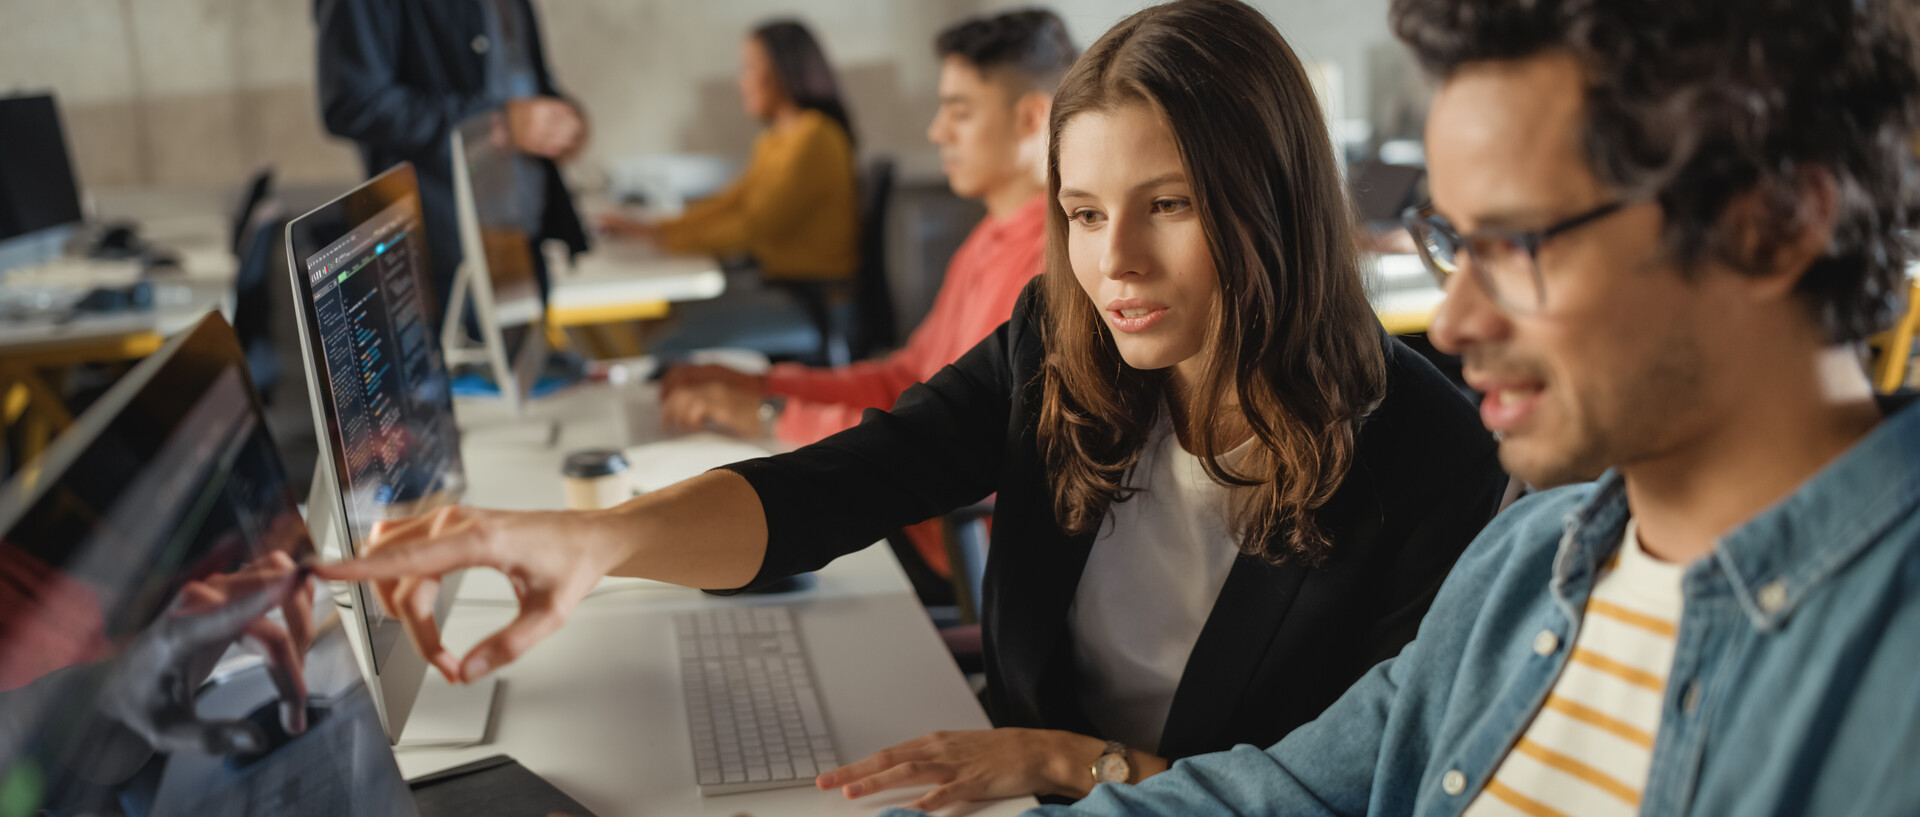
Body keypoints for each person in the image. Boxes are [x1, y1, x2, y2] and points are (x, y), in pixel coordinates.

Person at [317, 0, 1506, 809]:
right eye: (1084, 215)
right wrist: (595, 542)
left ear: (1274, 203)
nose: (1117, 265)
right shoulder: (1066, 341)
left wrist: (1069, 762)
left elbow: (1368, 792)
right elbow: (853, 478)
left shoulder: (1427, 456)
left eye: (1172, 205)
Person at [920, 0, 1918, 814]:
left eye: (1521, 243)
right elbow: (1280, 794)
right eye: (1455, 240)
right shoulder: (1532, 562)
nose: (1457, 317)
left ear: (1773, 227)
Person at [657, 9, 1077, 587]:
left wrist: (768, 412)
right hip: (913, 507)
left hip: (947, 543)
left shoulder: (1046, 272)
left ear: (1031, 118)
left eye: (959, 111)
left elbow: (951, 451)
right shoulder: (989, 236)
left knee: (712, 546)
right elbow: (907, 380)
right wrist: (761, 385)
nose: (936, 132)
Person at [314, 0, 591, 324]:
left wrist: (561, 123)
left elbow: (516, 74)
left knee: (526, 366)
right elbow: (352, 103)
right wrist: (496, 124)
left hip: (520, 240)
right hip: (442, 256)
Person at [603, 20, 859, 285]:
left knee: (674, 318)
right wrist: (653, 229)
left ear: (783, 70)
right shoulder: (774, 140)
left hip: (810, 292)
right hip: (778, 281)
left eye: (749, 68)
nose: (742, 83)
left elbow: (755, 227)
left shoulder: (814, 137)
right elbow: (729, 203)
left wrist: (666, 239)